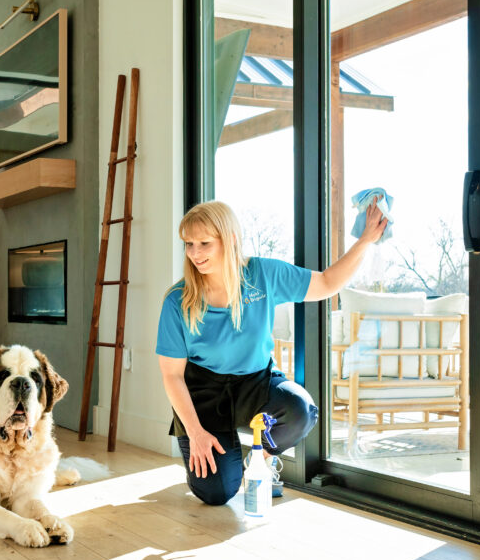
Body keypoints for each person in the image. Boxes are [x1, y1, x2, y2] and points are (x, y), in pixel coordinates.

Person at [155, 200, 388, 506]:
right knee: (215, 493)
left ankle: (259, 458)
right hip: (203, 393)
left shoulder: (263, 274)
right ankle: (217, 464)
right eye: (188, 244)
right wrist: (195, 432)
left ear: (231, 239)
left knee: (301, 410)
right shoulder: (177, 300)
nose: (195, 253)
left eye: (204, 243)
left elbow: (327, 284)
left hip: (256, 381)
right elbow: (172, 375)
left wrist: (364, 241)